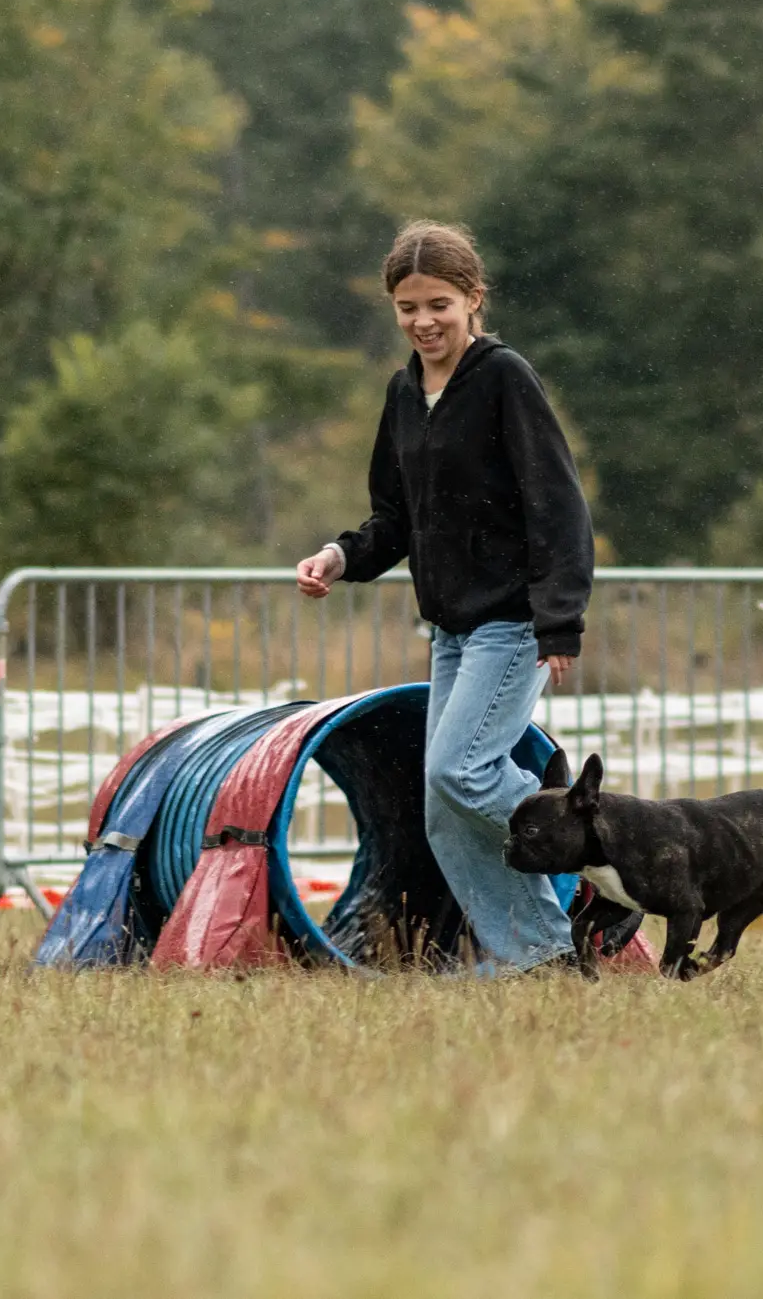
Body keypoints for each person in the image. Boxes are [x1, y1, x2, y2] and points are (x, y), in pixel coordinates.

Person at [295, 220, 594, 972]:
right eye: (407, 307)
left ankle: (600, 843)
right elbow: (393, 518)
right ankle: (542, 957)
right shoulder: (403, 394)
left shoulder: (504, 379)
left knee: (461, 772)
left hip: (515, 620)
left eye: (439, 304)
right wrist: (339, 555)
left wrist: (559, 619)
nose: (423, 321)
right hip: (453, 630)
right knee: (442, 809)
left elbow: (555, 504)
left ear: (473, 299)